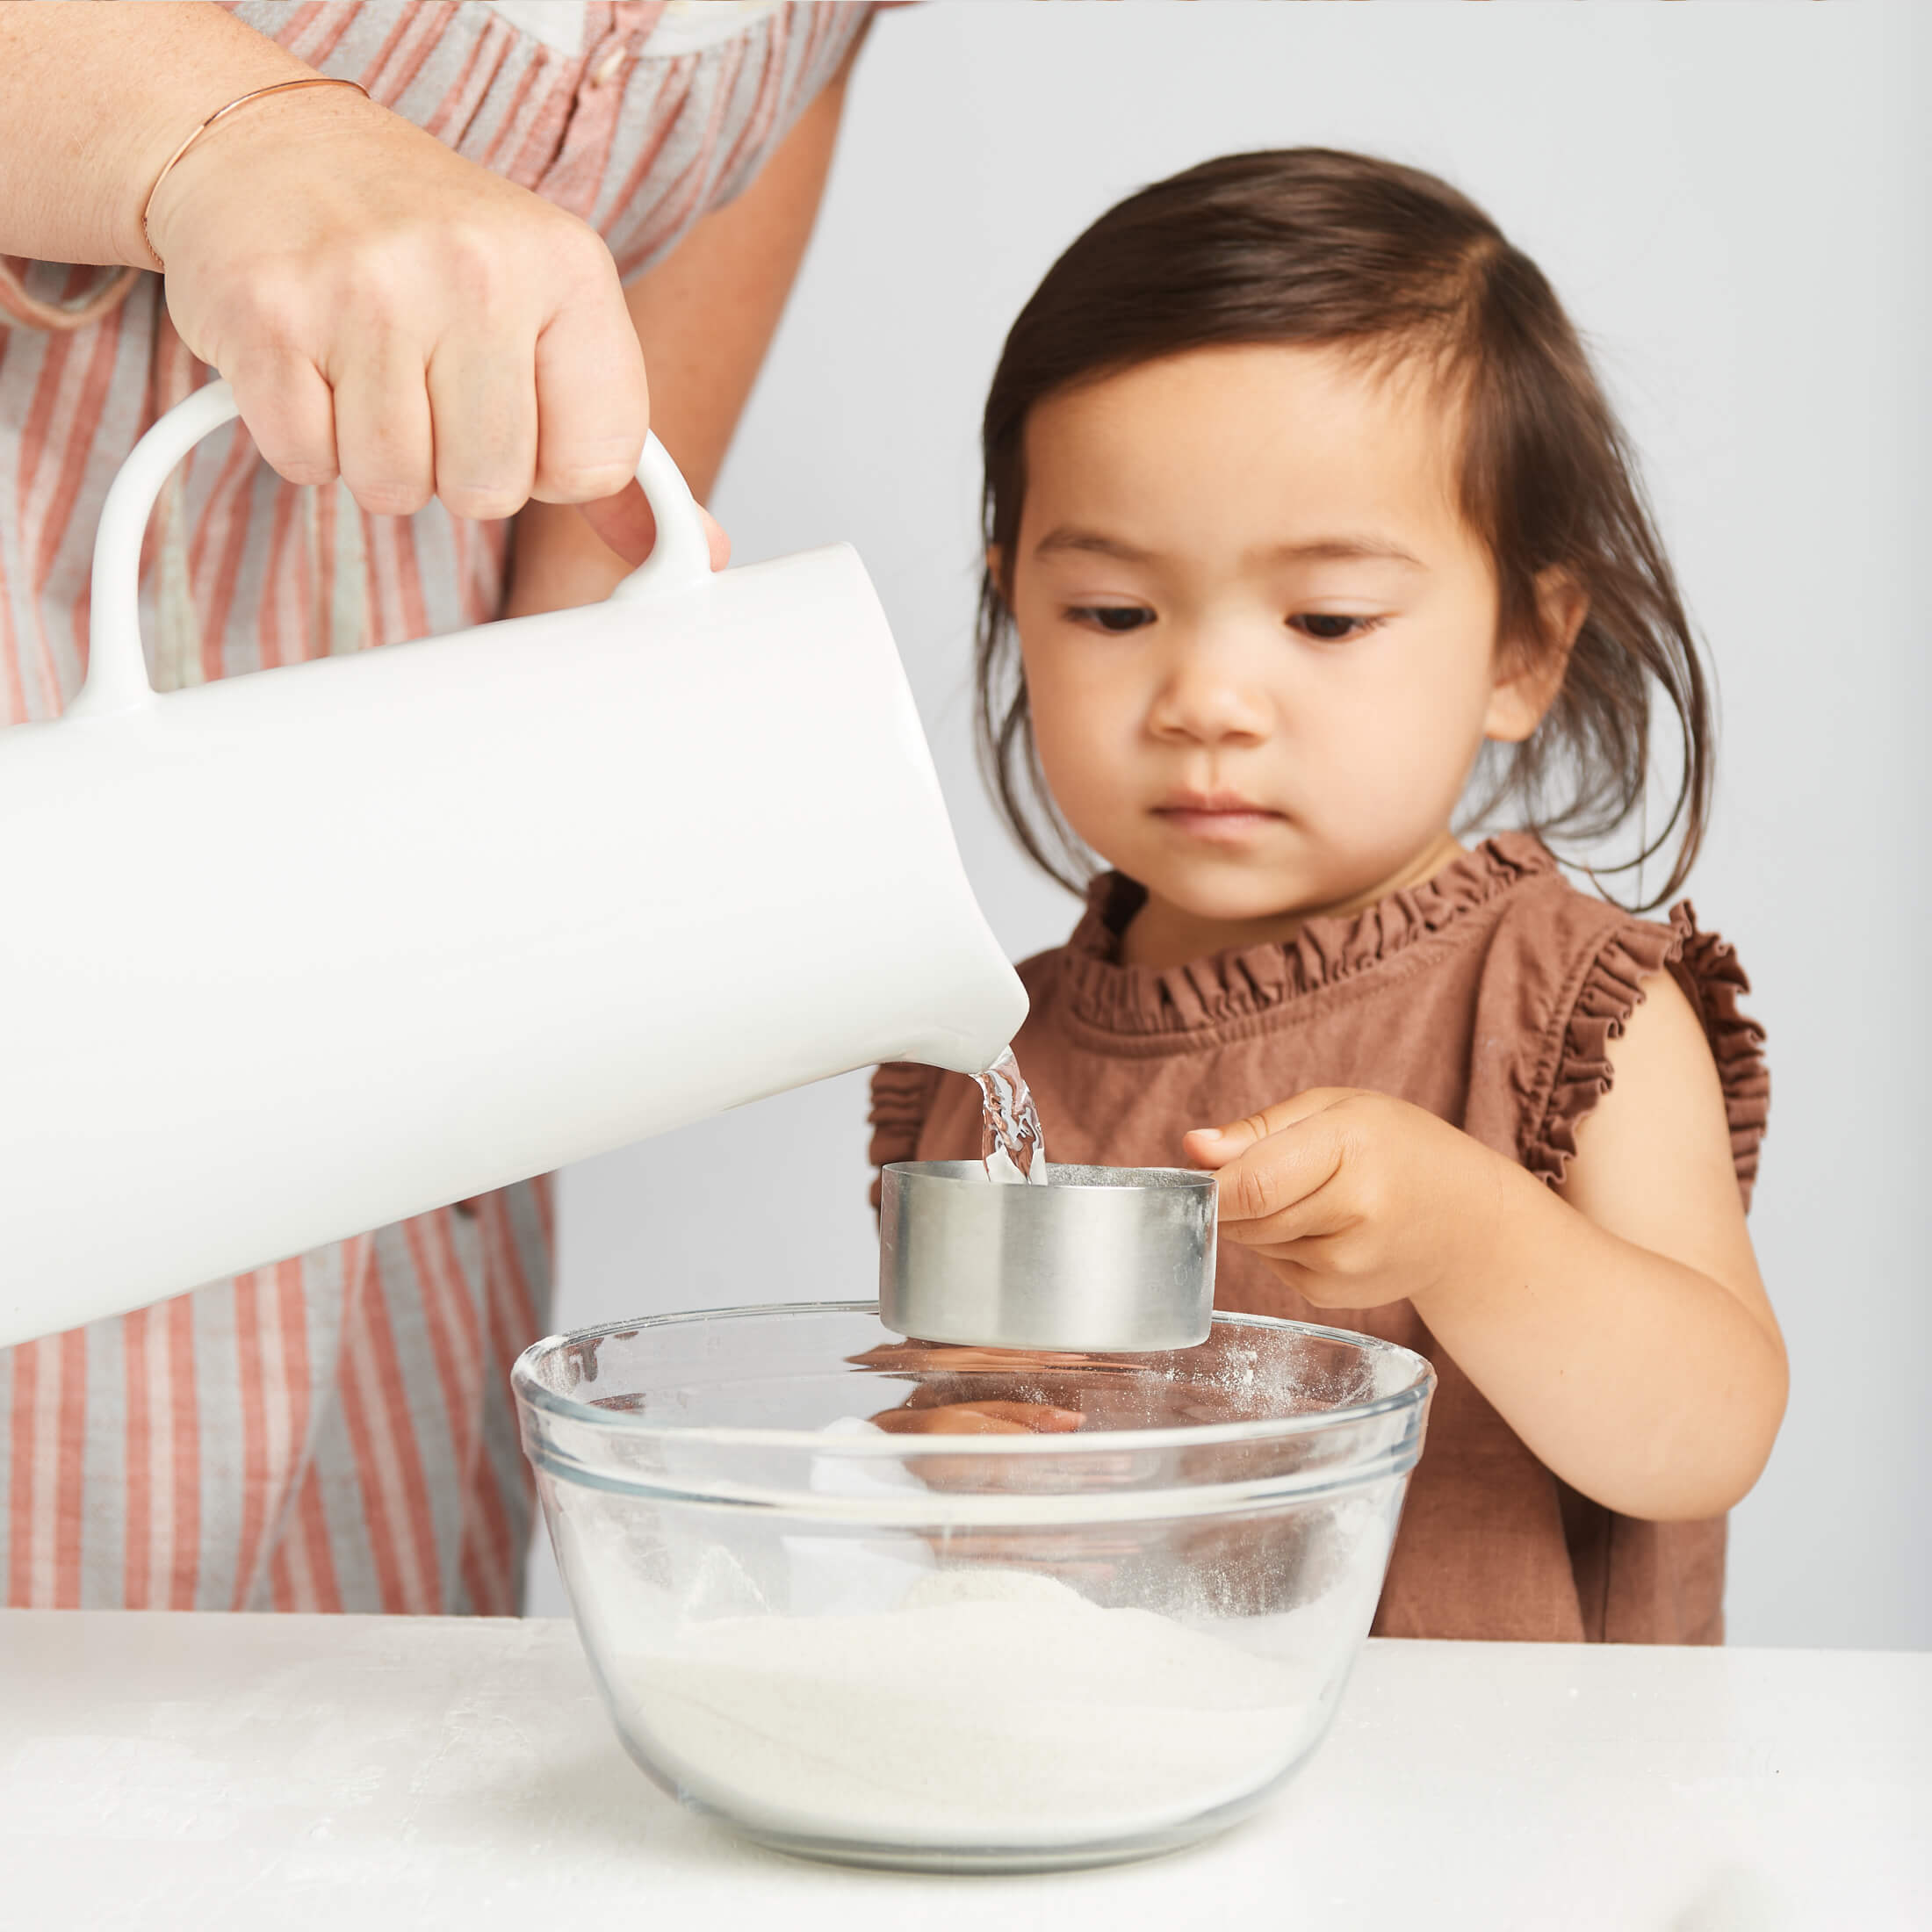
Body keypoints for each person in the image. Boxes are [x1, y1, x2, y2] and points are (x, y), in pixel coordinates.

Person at [0, 0, 883, 1613]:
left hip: (394, 931)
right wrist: (230, 138)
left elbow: (771, 90)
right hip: (52, 887)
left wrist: (563, 673)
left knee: (330, 1758)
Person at [869, 149, 1784, 1644]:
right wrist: (956, 1466)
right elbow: (986, 1509)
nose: (1208, 698)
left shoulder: (1567, 1005)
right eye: (1111, 611)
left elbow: (1709, 1436)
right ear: (1012, 602)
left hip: (1506, 1844)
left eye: (1327, 617)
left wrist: (1471, 1238)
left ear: (1522, 652)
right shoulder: (987, 1053)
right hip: (1122, 1825)